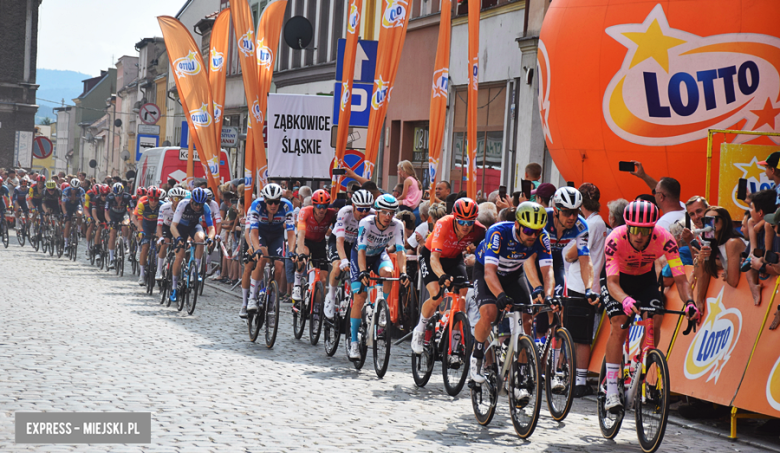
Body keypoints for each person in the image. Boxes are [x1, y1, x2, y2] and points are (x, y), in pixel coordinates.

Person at [602, 200, 699, 413]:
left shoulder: (664, 239)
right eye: (634, 230)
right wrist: (625, 299)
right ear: (627, 227)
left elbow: (681, 279)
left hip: (644, 279)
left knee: (654, 321)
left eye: (645, 231)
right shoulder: (615, 239)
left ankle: (641, 365)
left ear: (653, 229)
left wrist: (690, 303)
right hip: (618, 281)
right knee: (619, 325)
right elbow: (611, 283)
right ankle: (610, 389)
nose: (639, 236)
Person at [469, 202, 556, 386]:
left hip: (513, 273)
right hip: (487, 270)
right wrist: (500, 295)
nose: (533, 235)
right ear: (517, 225)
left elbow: (548, 271)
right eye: (528, 231)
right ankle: (476, 357)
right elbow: (489, 272)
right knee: (489, 313)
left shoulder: (542, 238)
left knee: (528, 317)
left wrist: (549, 296)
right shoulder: (498, 232)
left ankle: (521, 376)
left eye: (537, 231)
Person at [411, 198, 485, 355]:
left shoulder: (479, 230)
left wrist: (476, 249)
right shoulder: (443, 224)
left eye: (469, 222)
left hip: (454, 258)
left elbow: (484, 251)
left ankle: (455, 344)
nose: (465, 226)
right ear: (454, 217)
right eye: (461, 222)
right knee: (437, 295)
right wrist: (442, 275)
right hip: (432, 255)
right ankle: (420, 329)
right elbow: (434, 259)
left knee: (463, 294)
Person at [349, 194, 409, 359]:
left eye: (391, 213)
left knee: (388, 274)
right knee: (360, 296)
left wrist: (403, 272)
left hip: (378, 255)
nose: (388, 216)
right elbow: (360, 250)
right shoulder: (366, 223)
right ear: (377, 212)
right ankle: (354, 342)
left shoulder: (397, 225)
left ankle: (380, 309)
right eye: (384, 212)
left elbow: (400, 251)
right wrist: (362, 271)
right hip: (360, 256)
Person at [563, 183, 608, 397]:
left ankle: (578, 380)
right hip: (586, 284)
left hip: (582, 285)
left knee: (579, 337)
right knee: (579, 335)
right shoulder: (598, 222)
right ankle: (577, 378)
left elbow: (571, 254)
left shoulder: (591, 224)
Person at [241, 183, 295, 317]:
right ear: (264, 200)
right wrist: (255, 248)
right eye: (270, 202)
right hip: (260, 234)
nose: (273, 205)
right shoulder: (256, 206)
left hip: (276, 236)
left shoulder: (287, 206)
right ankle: (250, 299)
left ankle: (271, 304)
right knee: (261, 259)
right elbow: (252, 232)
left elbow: (291, 233)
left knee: (279, 265)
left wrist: (292, 251)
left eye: (276, 202)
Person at [324, 190, 375, 320]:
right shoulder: (344, 212)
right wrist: (344, 260)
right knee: (337, 266)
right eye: (360, 209)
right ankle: (331, 296)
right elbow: (339, 242)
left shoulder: (373, 215)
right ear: (353, 206)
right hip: (339, 241)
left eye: (367, 209)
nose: (364, 213)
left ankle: (348, 297)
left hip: (355, 245)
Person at [291, 189, 338, 305]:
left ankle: (317, 308)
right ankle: (297, 284)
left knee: (322, 280)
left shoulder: (332, 214)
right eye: (318, 206)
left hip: (320, 243)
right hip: (306, 241)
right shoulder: (305, 212)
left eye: (324, 206)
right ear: (313, 205)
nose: (321, 209)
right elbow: (300, 234)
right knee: (303, 255)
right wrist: (300, 252)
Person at [169, 187, 216, 302]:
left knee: (201, 238)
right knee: (179, 257)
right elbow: (173, 226)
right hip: (180, 227)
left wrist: (210, 238)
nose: (198, 207)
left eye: (200, 204)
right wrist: (178, 238)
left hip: (194, 226)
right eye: (195, 204)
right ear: (191, 200)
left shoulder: (205, 207)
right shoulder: (183, 204)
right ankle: (174, 288)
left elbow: (211, 228)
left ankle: (196, 271)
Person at [629, 161, 685, 231]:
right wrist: (644, 176)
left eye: (655, 192)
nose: (654, 194)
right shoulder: (686, 209)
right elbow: (666, 189)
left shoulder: (663, 224)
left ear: (661, 197)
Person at [155, 187, 186, 281]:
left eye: (181, 199)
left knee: (180, 246)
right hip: (166, 226)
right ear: (171, 199)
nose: (178, 201)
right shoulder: (164, 207)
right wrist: (160, 237)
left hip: (177, 228)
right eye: (176, 198)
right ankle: (159, 270)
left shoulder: (184, 208)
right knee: (165, 242)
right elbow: (159, 225)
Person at [134, 186, 163, 285]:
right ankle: (142, 275)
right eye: (151, 199)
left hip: (156, 226)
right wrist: (141, 231)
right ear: (148, 198)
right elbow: (140, 222)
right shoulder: (142, 205)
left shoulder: (162, 206)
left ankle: (159, 267)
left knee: (160, 245)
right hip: (145, 225)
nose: (153, 201)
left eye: (156, 199)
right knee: (145, 247)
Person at [105, 183, 133, 269]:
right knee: (112, 234)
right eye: (116, 195)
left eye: (120, 195)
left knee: (125, 225)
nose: (118, 197)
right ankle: (112, 259)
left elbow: (132, 210)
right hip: (113, 216)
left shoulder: (127, 197)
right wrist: (109, 221)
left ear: (123, 192)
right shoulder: (109, 197)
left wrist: (131, 220)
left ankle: (124, 243)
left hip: (123, 215)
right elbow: (106, 212)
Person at [60, 178, 85, 251]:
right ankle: (66, 244)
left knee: (79, 214)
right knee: (68, 223)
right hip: (68, 206)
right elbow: (63, 204)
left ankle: (78, 230)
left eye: (76, 189)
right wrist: (65, 213)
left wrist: (84, 213)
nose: (74, 190)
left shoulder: (81, 191)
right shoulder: (66, 191)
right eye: (73, 189)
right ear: (70, 187)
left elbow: (84, 203)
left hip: (77, 205)